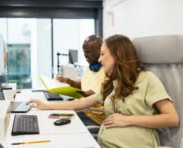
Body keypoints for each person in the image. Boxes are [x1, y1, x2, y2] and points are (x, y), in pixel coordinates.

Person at [28, 34, 179, 147]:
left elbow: (172, 118)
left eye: (102, 54)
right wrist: (46, 106)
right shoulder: (114, 83)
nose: (99, 60)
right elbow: (82, 103)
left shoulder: (147, 78)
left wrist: (127, 120)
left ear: (117, 54)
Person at [56, 34, 106, 136]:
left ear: (100, 50)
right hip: (85, 109)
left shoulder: (107, 69)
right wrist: (70, 82)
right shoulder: (90, 67)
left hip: (95, 115)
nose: (85, 55)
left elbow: (96, 94)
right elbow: (84, 85)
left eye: (88, 52)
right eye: (84, 52)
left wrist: (75, 93)